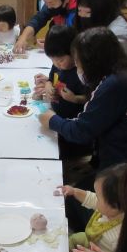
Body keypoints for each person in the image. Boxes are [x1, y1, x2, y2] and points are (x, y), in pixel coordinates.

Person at [38, 27, 127, 173]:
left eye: (78, 64)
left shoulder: (115, 85)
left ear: (92, 63)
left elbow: (82, 130)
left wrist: (51, 120)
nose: (77, 69)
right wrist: (95, 164)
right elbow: (101, 127)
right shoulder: (114, 76)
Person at [60, 163, 126, 252]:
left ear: (113, 207)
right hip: (94, 241)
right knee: (77, 238)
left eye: (99, 197)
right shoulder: (111, 208)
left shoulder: (120, 235)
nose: (96, 198)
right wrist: (74, 191)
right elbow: (91, 198)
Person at [35, 25, 90, 159]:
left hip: (72, 125)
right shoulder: (57, 66)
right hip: (57, 116)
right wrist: (48, 85)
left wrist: (74, 98)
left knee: (63, 153)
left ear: (74, 53)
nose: (57, 64)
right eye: (52, 60)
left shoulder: (81, 73)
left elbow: (89, 98)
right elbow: (51, 79)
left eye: (61, 60)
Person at [14, 0, 82, 53]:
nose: (48, 7)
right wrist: (23, 37)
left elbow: (82, 40)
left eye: (51, 3)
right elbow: (38, 19)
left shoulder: (82, 8)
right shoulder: (52, 3)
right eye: (46, 3)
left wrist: (56, 45)